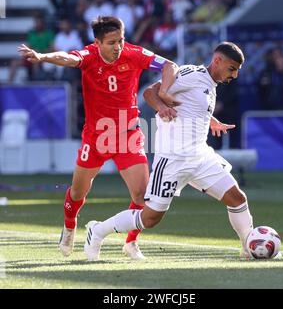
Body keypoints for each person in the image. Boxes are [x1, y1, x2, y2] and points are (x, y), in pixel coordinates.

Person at [18, 16, 178, 260]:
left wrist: (164, 90)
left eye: (121, 40)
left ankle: (131, 243)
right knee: (78, 192)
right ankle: (69, 226)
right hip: (96, 136)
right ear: (98, 42)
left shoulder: (134, 54)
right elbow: (69, 58)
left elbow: (169, 65)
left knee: (142, 195)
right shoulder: (89, 56)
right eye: (112, 42)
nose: (118, 47)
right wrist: (43, 57)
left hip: (128, 133)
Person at [83, 41, 256, 261]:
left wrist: (209, 120)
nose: (234, 75)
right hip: (172, 159)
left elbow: (191, 106)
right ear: (217, 61)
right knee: (150, 218)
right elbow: (149, 92)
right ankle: (97, 231)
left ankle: (248, 248)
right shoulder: (191, 74)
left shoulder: (211, 85)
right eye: (232, 69)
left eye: (237, 71)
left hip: (200, 157)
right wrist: (161, 107)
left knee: (237, 199)